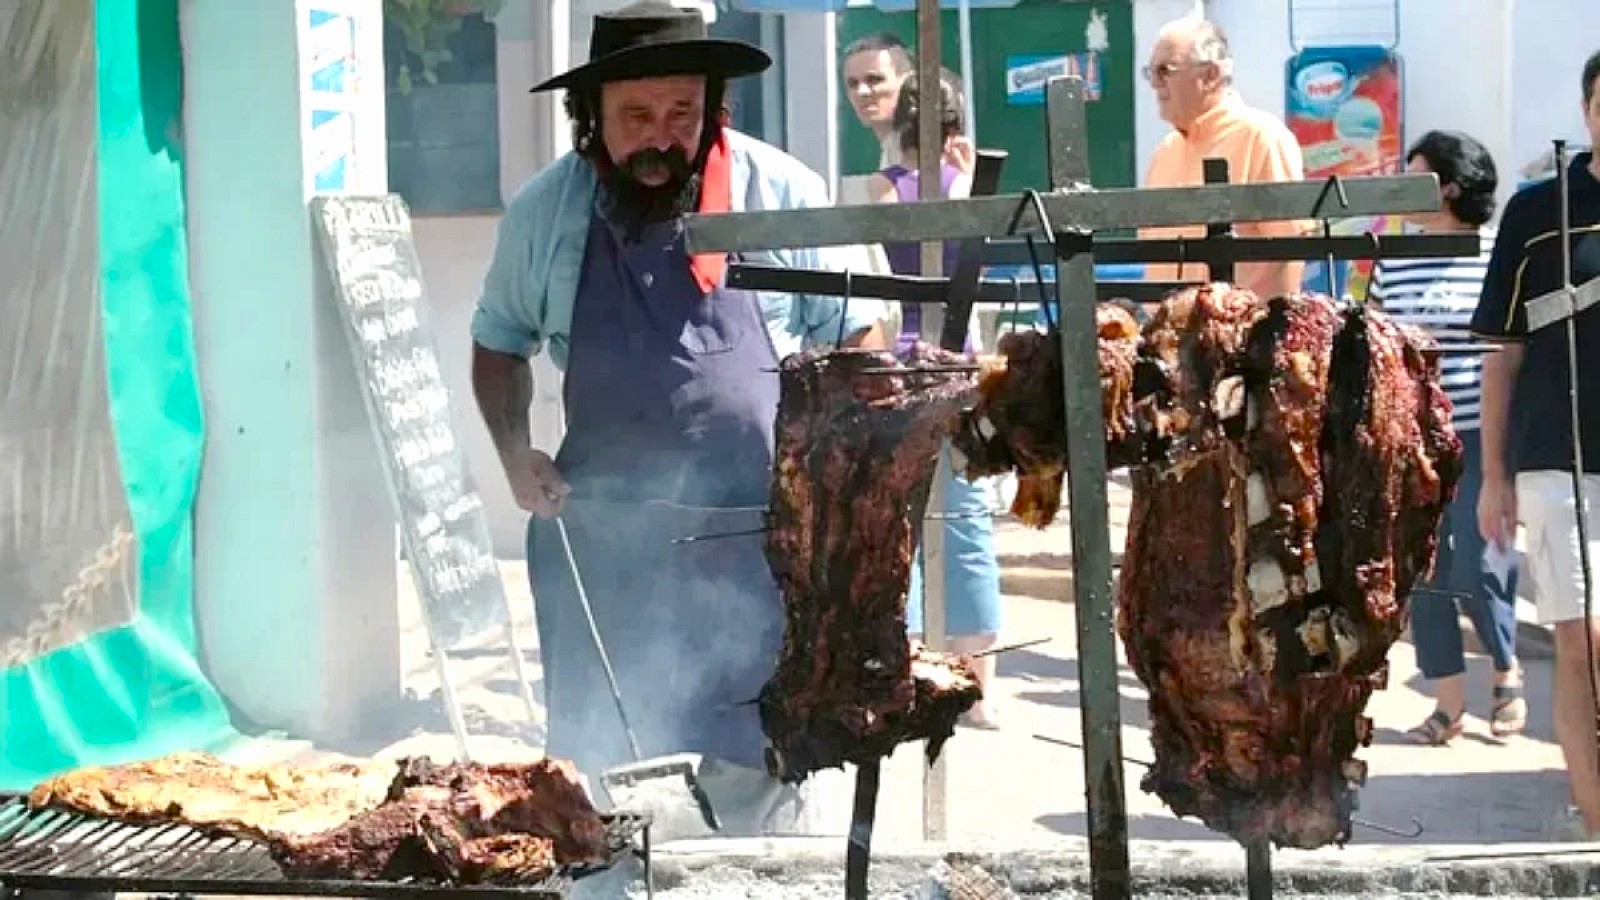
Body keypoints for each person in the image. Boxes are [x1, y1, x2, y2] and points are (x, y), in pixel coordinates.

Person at [468, 0, 887, 841]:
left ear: (714, 109)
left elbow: (862, 337)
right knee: (599, 791)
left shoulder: (782, 194)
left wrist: (839, 491)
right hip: (603, 551)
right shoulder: (547, 213)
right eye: (635, 116)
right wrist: (515, 455)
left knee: (762, 779)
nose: (661, 138)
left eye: (682, 114)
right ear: (589, 119)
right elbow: (498, 344)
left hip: (757, 548)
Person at [1473, 49, 1600, 840]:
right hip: (1562, 460)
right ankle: (1596, 820)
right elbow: (1502, 352)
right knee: (1583, 640)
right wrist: (1493, 474)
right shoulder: (1536, 210)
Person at [1367, 130, 1525, 745]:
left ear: (1450, 188)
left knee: (1479, 558)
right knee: (1423, 565)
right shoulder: (1394, 258)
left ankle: (1507, 666)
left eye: (1416, 177)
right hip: (1416, 435)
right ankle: (1449, 702)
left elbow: (1507, 347)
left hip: (1481, 430)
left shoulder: (1494, 253)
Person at [869, 68, 1005, 729]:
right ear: (956, 128)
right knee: (966, 522)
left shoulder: (886, 189)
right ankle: (980, 684)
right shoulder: (968, 188)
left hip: (903, 363)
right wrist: (971, 169)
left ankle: (916, 665)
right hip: (963, 363)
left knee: (904, 521)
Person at [1139, 16, 1309, 298]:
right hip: (1166, 335)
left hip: (1240, 334)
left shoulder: (1261, 137)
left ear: (1210, 75)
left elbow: (1289, 252)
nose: (1155, 84)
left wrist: (1256, 332)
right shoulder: (1165, 152)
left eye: (1164, 70)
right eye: (1151, 72)